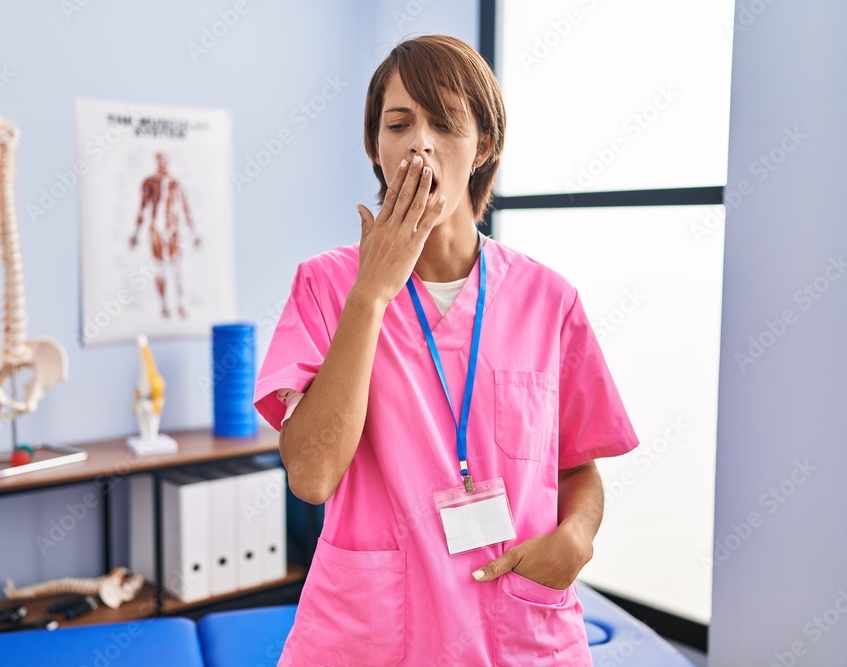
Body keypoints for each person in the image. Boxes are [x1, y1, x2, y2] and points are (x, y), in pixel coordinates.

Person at [255, 35, 639, 666]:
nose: (420, 143)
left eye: (444, 122)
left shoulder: (549, 299)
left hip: (516, 624)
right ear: (376, 148)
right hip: (377, 633)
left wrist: (577, 538)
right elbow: (313, 476)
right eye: (398, 123)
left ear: (482, 144)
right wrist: (371, 296)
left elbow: (577, 466)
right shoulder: (326, 286)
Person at [129, 152, 202, 318]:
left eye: (165, 160)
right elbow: (142, 208)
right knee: (160, 268)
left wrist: (194, 233)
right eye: (159, 160)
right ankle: (164, 304)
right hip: (156, 229)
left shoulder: (175, 183)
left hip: (173, 230)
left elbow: (185, 207)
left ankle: (180, 304)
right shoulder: (149, 182)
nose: (162, 164)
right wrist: (136, 233)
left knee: (176, 268)